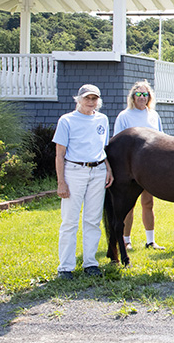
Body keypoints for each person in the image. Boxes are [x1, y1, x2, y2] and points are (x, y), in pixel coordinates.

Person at [53, 85, 113, 278]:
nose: (90, 101)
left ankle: (90, 263)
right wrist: (61, 182)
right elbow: (59, 154)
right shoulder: (67, 120)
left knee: (92, 220)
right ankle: (66, 267)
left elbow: (101, 148)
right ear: (78, 99)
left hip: (97, 171)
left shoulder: (102, 119)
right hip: (74, 171)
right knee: (70, 221)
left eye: (94, 98)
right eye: (87, 98)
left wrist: (108, 168)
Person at [114, 80, 164, 250]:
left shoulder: (153, 115)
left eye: (145, 94)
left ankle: (150, 240)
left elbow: (160, 139)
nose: (142, 97)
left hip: (150, 167)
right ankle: (126, 239)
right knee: (129, 205)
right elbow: (117, 142)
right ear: (133, 96)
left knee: (148, 203)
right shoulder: (124, 116)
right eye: (139, 94)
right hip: (129, 168)